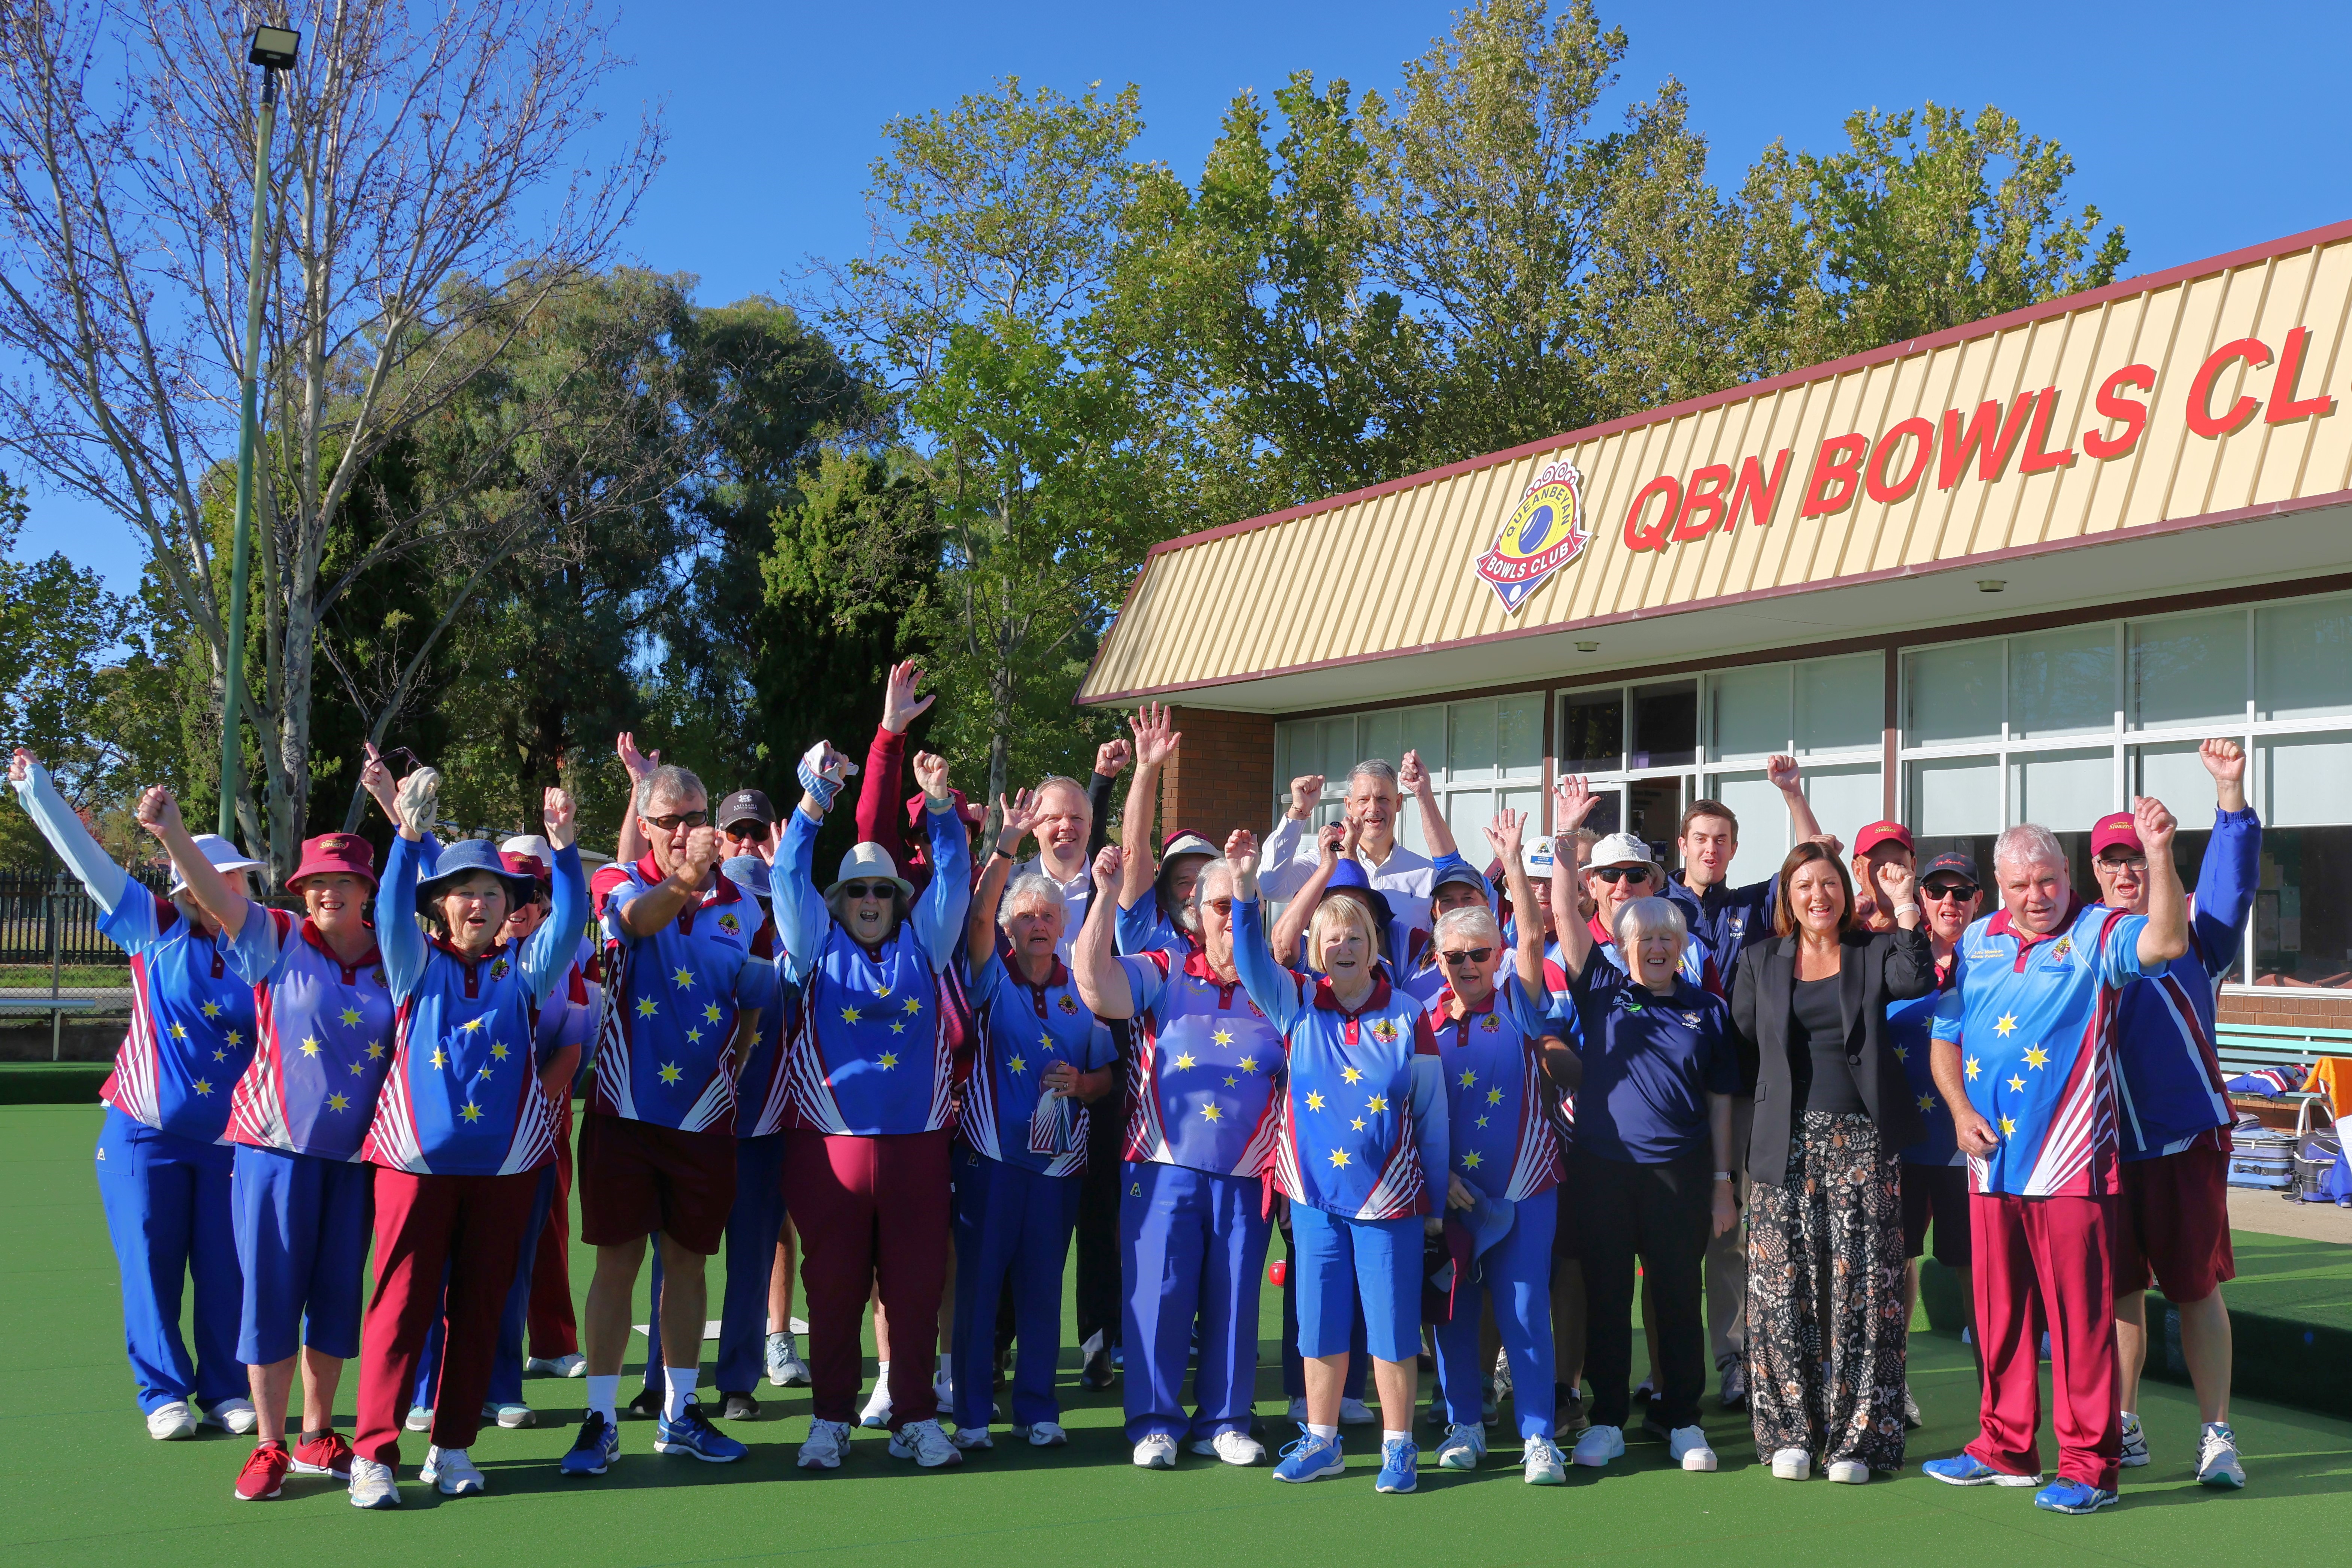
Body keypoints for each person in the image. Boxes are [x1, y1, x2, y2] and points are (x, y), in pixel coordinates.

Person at [1923, 801, 2189, 1517]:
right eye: (2019, 885)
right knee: (2000, 1315)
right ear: (1997, 888)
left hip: (2073, 1162)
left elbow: (2167, 941)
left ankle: (2090, 1468)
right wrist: (1958, 1110)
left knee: (2080, 1322)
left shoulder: (2101, 932)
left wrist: (2158, 853)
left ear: (2068, 875)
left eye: (2046, 880)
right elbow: (1944, 1035)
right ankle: (2005, 1448)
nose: (2035, 897)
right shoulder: (1976, 941)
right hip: (1990, 1164)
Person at [133, 792, 394, 1500]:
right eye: (316, 882)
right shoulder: (275, 936)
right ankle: (270, 1443)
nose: (328, 893)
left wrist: (406, 822)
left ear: (369, 890)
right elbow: (218, 895)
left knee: (337, 1300)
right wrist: (174, 834)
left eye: (344, 881)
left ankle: (317, 1435)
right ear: (300, 891)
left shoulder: (396, 957)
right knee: (271, 1297)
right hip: (273, 1152)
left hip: (355, 1162)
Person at [348, 758, 584, 1508]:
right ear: (441, 905)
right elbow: (388, 913)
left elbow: (572, 921)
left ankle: (451, 1445)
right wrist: (407, 833)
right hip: (414, 1167)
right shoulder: (414, 965)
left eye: (492, 891)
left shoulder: (523, 974)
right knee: (399, 1308)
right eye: (465, 891)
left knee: (480, 1309)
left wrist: (567, 846)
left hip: (503, 1171)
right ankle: (374, 1453)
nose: (479, 902)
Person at [10, 748, 262, 1442]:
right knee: (150, 1262)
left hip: (232, 1141)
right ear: (186, 889)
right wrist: (41, 792)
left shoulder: (266, 945)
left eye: (235, 880)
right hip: (142, 1134)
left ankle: (226, 1387)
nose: (224, 891)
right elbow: (86, 862)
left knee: (225, 1267)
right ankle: (162, 1393)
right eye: (212, 881)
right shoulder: (154, 926)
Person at [564, 762, 772, 1477]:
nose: (683, 831)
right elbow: (635, 921)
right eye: (668, 820)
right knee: (617, 1264)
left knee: (687, 1264)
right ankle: (599, 1419)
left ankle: (680, 1413)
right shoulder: (616, 879)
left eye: (693, 816)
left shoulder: (746, 904)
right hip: (624, 1109)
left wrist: (738, 1056)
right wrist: (684, 877)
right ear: (646, 826)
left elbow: (756, 989)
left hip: (705, 1117)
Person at [1228, 827, 1447, 1495]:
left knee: (1389, 1328)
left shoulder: (1409, 1015)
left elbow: (1433, 1120)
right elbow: (1251, 959)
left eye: (1354, 935)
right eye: (1331, 937)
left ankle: (1398, 1446)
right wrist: (1244, 890)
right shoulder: (1295, 1002)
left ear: (1373, 945)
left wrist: (1434, 1208)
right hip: (1313, 1199)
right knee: (1318, 1324)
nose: (1343, 946)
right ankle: (1320, 1440)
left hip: (1391, 1203)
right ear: (1316, 949)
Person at [775, 736, 972, 1471]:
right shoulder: (812, 941)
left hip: (917, 1149)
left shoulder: (927, 944)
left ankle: (916, 1415)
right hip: (828, 1148)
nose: (868, 900)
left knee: (916, 1290)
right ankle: (829, 1417)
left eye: (882, 891)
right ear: (838, 899)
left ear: (898, 899)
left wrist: (944, 807)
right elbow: (789, 869)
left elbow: (953, 872)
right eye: (857, 890)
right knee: (830, 1289)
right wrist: (812, 800)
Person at [1547, 778, 1740, 1476]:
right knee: (1605, 1293)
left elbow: (1721, 1101)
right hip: (1601, 1167)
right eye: (1644, 938)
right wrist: (1568, 835)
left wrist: (1722, 1184)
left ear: (1680, 945)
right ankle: (1604, 1419)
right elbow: (1568, 915)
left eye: (1667, 938)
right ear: (1624, 946)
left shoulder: (1707, 1010)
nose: (1656, 947)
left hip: (1680, 1172)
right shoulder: (1600, 989)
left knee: (1674, 1293)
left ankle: (1681, 1415)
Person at [1729, 840, 1934, 1483]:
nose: (1817, 896)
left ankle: (1857, 1441)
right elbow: (1742, 1036)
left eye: (1828, 884)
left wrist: (1904, 906)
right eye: (1803, 886)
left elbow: (1914, 980)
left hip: (1862, 1142)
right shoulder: (1759, 959)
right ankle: (1791, 1432)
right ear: (1787, 899)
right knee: (1778, 1291)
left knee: (1865, 1293)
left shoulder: (1873, 952)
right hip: (1781, 1143)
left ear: (1845, 892)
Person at [1078, 849, 1286, 1468]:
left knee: (1236, 1298)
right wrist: (1104, 896)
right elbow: (1095, 985)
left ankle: (1224, 1419)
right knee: (1159, 1295)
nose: (1229, 919)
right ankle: (1155, 1421)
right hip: (1160, 1166)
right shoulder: (1165, 967)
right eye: (1219, 906)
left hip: (1249, 1174)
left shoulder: (1274, 983)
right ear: (1194, 914)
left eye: (1241, 906)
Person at [2103, 740, 2259, 1489]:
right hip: (2101, 1149)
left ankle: (2214, 1433)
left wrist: (2227, 795)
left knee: (2195, 1287)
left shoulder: (2196, 936)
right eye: (2111, 859)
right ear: (2092, 874)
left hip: (2184, 1141)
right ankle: (2122, 1422)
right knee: (2116, 1291)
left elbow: (2229, 882)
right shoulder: (2079, 945)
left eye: (2135, 856)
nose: (2126, 870)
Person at [948, 793, 1117, 1450]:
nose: (1038, 925)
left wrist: (1082, 1083)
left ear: (1062, 923)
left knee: (1044, 1291)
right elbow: (979, 912)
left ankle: (1038, 1408)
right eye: (1026, 917)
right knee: (980, 1291)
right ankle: (968, 1414)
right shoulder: (993, 977)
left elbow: (1108, 1077)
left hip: (1057, 1170)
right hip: (990, 1160)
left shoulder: (1085, 991)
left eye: (1049, 915)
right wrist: (1008, 842)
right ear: (1010, 928)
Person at [1666, 766, 1824, 1415]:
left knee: (1731, 1236)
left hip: (1747, 1093)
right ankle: (1670, 1369)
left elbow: (1816, 863)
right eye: (1700, 837)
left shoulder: (1752, 907)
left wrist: (1792, 794)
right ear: (1682, 845)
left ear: (1733, 848)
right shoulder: (1652, 907)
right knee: (1671, 1238)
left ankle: (1734, 1362)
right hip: (1672, 1098)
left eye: (1722, 839)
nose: (1711, 849)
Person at [1424, 810, 1576, 1484]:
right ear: (1437, 959)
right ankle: (1463, 1421)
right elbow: (1406, 1109)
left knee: (1522, 1310)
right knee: (1454, 1310)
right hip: (1449, 1190)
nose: (1466, 967)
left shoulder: (1518, 999)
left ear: (1499, 955)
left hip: (1526, 1185)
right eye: (1454, 956)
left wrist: (1514, 864)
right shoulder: (1419, 1017)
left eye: (1479, 954)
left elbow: (1535, 932)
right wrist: (1437, 1175)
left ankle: (1538, 1435)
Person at [636, 853, 803, 1422]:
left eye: (764, 907)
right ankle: (659, 1378)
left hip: (760, 1134)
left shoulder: (794, 969)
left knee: (750, 1261)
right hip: (695, 1128)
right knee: (675, 1256)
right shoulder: (695, 958)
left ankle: (737, 1381)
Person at [1893, 851, 1986, 1425]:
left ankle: (1996, 1401)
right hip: (1901, 1142)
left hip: (1967, 1147)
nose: (1949, 901)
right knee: (1897, 1265)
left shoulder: (1998, 958)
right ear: (1922, 899)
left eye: (1961, 891)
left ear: (1978, 898)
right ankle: (1893, 1387)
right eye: (1937, 891)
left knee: (1976, 1274)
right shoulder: (1893, 954)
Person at [1261, 759, 1436, 939]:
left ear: (1398, 803)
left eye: (1383, 799)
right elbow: (1270, 886)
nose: (1374, 808)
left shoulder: (1427, 875)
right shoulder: (1321, 863)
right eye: (1363, 800)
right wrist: (1299, 812)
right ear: (1349, 805)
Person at [1111, 701, 1219, 958]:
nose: (1195, 892)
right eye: (1184, 881)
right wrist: (1148, 768)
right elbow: (1134, 850)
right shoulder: (1146, 929)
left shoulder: (1235, 939)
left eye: (1205, 881)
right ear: (1164, 890)